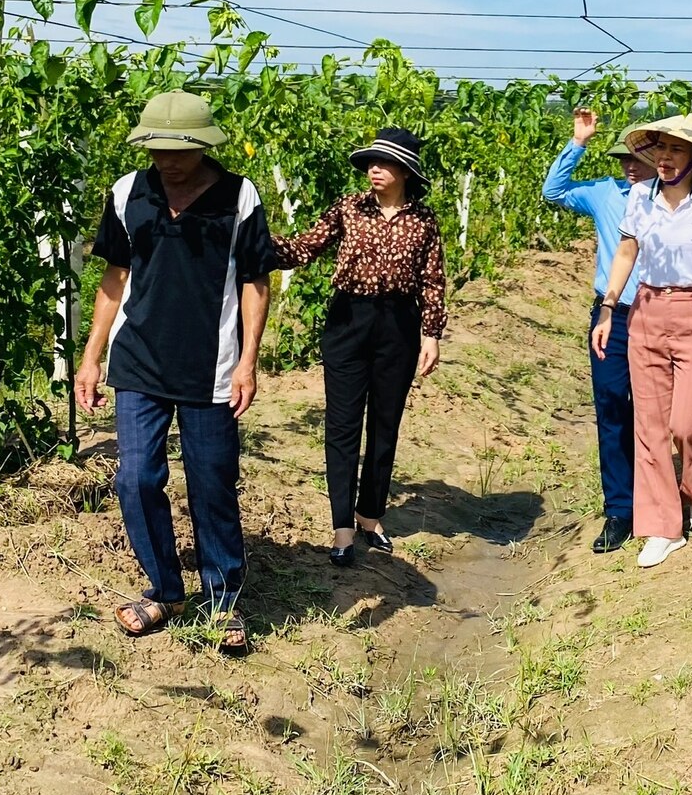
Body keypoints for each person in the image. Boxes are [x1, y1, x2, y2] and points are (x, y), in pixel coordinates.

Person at [75, 90, 275, 648]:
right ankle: (164, 588)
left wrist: (248, 362)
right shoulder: (127, 193)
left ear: (204, 146)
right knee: (135, 479)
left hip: (212, 366)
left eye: (180, 150)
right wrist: (91, 357)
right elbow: (114, 279)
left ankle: (223, 601)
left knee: (212, 483)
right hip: (138, 360)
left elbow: (256, 281)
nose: (168, 160)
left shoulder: (238, 197)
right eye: (158, 149)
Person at [275, 127, 446, 566]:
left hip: (399, 326)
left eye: (383, 162)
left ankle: (370, 516)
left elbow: (432, 281)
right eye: (370, 161)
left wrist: (431, 334)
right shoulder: (348, 208)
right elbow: (303, 248)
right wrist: (254, 237)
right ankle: (342, 527)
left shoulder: (424, 221)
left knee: (385, 425)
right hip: (348, 321)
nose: (374, 168)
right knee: (343, 425)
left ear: (405, 170)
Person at [592, 113, 692, 569]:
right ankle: (661, 526)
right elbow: (626, 252)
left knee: (687, 425)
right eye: (660, 149)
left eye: (676, 150)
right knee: (651, 426)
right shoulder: (640, 197)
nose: (665, 158)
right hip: (647, 311)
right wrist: (608, 307)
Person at [543, 107, 654, 553]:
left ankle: (655, 500)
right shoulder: (604, 193)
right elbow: (553, 192)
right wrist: (578, 142)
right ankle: (619, 511)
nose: (628, 166)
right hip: (613, 315)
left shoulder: (668, 198)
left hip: (659, 314)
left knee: (653, 410)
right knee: (611, 408)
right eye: (621, 159)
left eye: (635, 158)